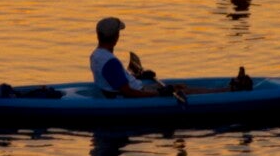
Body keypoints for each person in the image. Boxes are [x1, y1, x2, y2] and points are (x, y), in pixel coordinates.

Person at [90, 18, 240, 98]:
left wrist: (140, 76)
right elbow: (128, 92)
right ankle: (231, 91)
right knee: (186, 92)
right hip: (129, 96)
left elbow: (115, 81)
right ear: (116, 37)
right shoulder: (111, 62)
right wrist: (158, 94)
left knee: (180, 86)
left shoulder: (96, 55)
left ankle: (229, 88)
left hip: (123, 91)